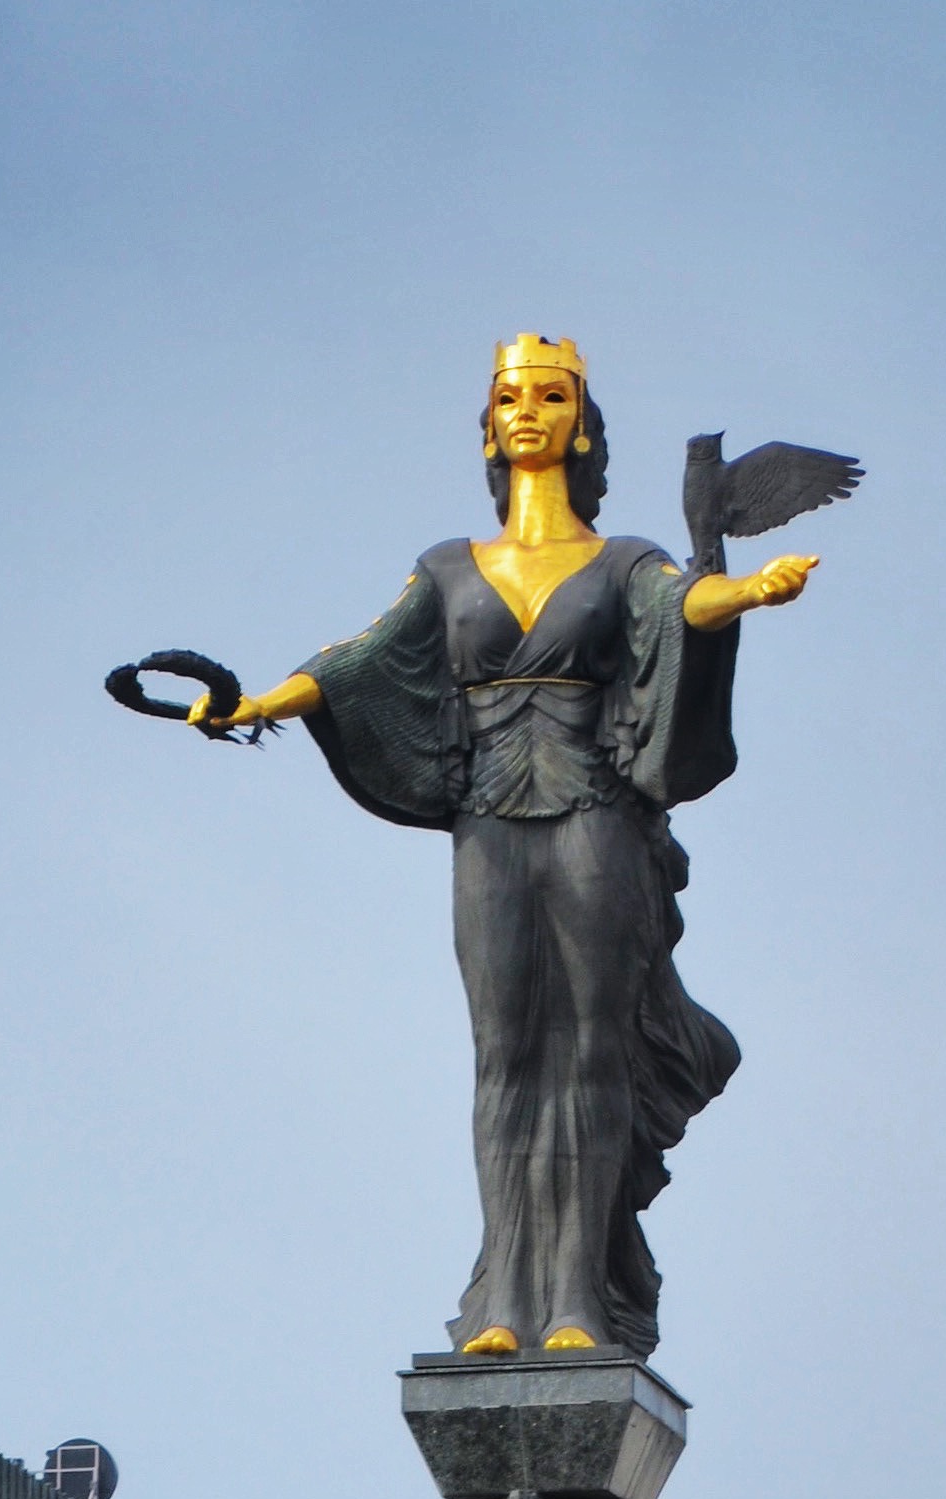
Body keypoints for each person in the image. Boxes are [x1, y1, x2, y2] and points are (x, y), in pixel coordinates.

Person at [188, 334, 818, 1359]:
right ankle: (504, 1300)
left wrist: (743, 593)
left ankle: (576, 1296)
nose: (529, 409)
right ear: (490, 424)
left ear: (580, 423)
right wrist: (256, 703)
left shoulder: (625, 561)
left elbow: (676, 608)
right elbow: (362, 659)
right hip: (488, 815)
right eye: (511, 397)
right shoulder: (449, 567)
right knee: (505, 1056)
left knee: (589, 1053)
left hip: (595, 812)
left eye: (552, 394)